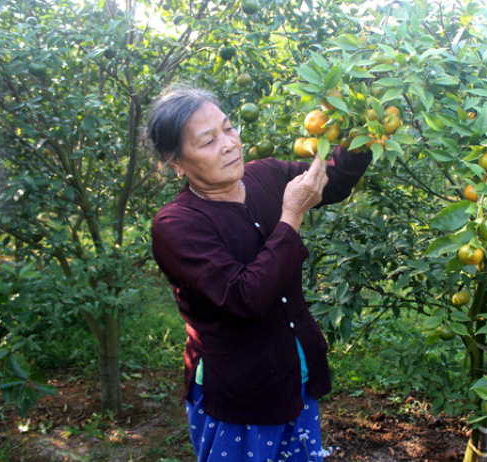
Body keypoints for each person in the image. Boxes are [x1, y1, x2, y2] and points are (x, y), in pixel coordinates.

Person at [145, 84, 371, 462]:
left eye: (229, 127)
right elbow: (245, 298)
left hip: (293, 374)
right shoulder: (177, 225)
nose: (230, 143)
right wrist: (291, 215)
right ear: (176, 163)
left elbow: (334, 179)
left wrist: (364, 125)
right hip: (241, 394)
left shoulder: (264, 175)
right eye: (208, 141)